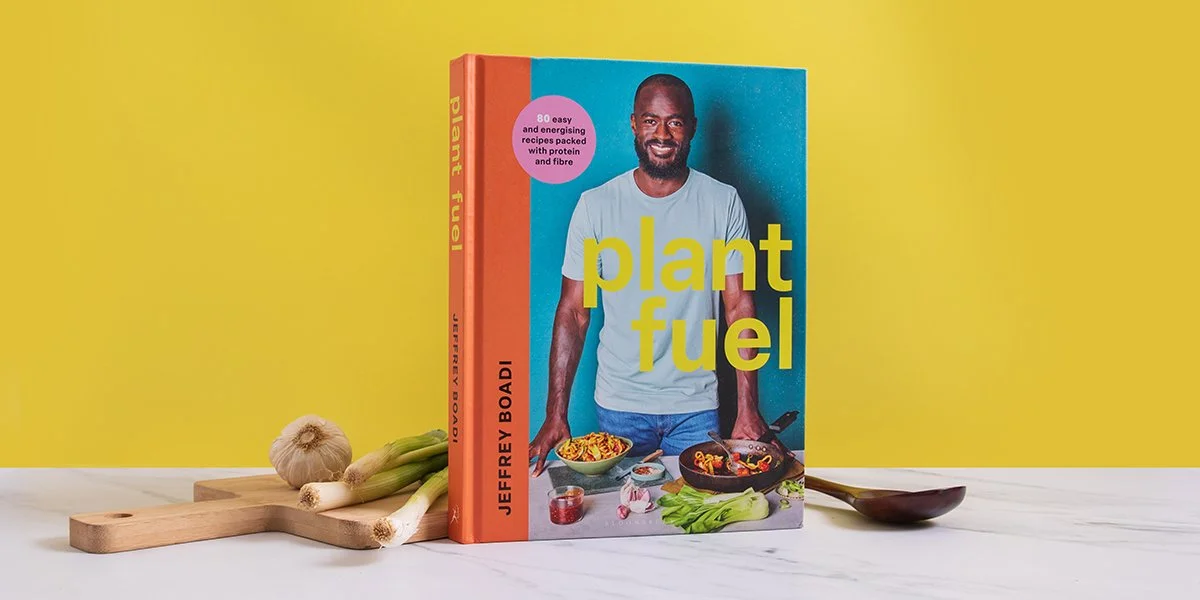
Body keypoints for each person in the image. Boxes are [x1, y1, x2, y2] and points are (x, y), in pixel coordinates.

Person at [529, 74, 775, 476]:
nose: (662, 134)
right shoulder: (596, 206)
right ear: (633, 123)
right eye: (650, 120)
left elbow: (739, 308)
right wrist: (555, 414)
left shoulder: (723, 201)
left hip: (696, 409)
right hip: (619, 407)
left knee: (696, 520)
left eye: (675, 122)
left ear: (692, 127)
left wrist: (748, 408)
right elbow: (574, 311)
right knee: (620, 517)